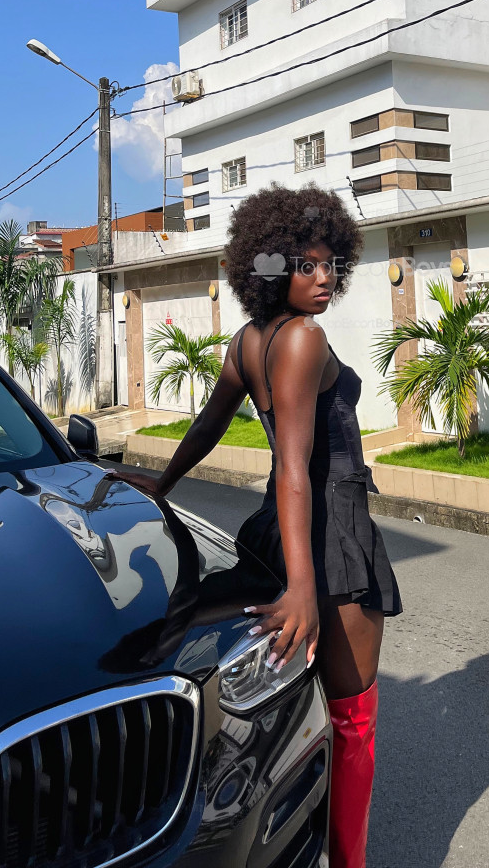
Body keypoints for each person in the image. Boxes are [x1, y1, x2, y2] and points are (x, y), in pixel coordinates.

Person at [111, 182, 402, 867]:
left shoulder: (247, 342)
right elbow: (296, 464)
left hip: (278, 527)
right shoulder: (304, 337)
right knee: (353, 720)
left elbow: (209, 423)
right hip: (330, 540)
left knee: (295, 707)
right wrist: (303, 586)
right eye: (306, 265)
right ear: (270, 270)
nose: (324, 277)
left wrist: (162, 480)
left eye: (330, 264)